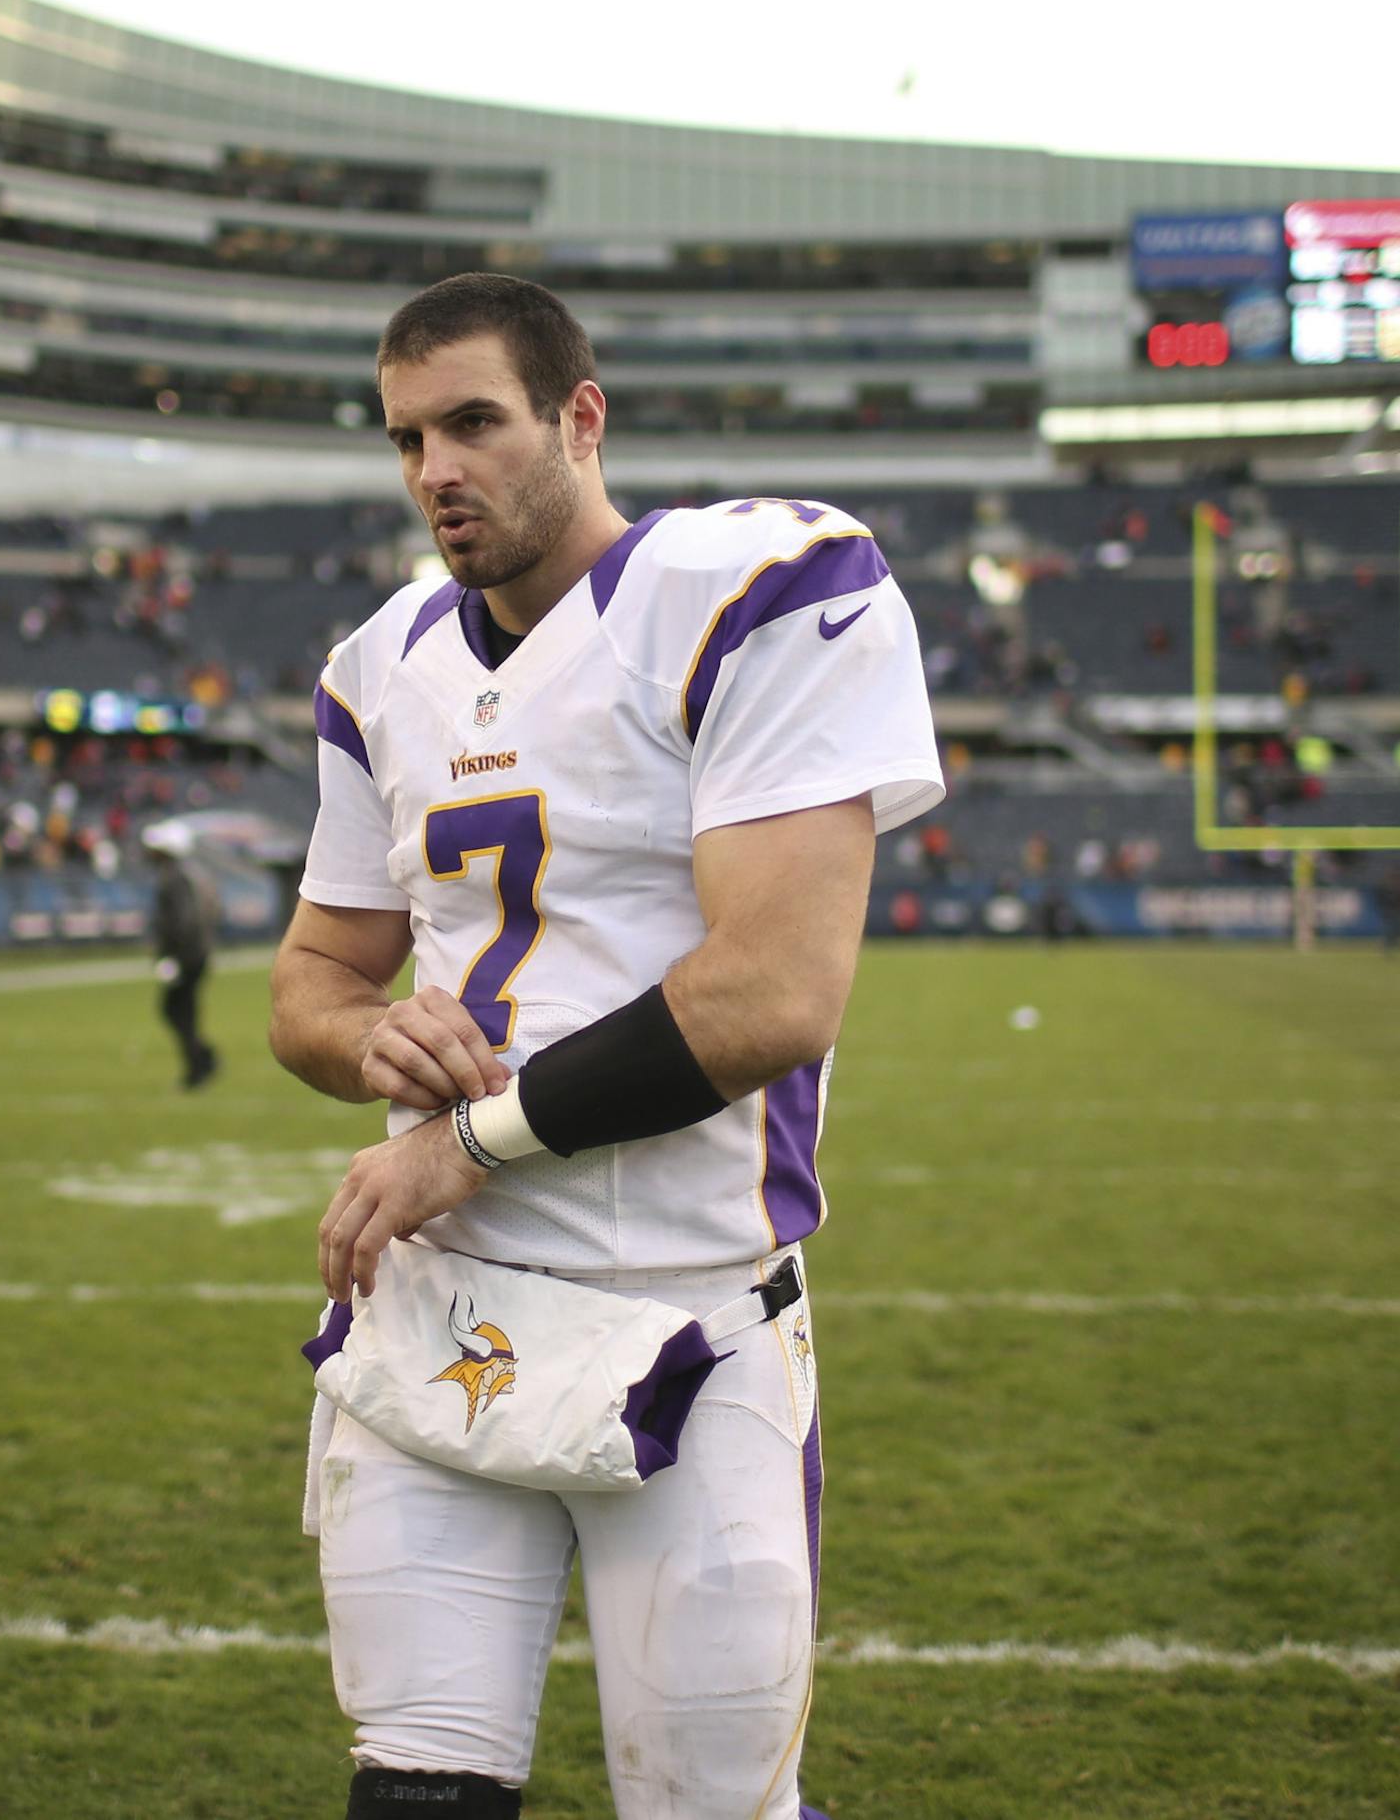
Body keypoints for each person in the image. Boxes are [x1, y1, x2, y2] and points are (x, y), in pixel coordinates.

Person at [268, 273, 943, 1819]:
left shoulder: (753, 586)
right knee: (413, 1798)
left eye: (474, 422)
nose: (436, 467)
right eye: (407, 437)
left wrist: (463, 1143)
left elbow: (771, 992)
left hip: (686, 1313)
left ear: (581, 415)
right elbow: (309, 982)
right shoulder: (382, 665)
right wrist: (375, 1037)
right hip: (438, 1307)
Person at [143, 821, 218, 1089]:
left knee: (176, 1010)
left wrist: (173, 956)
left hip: (186, 956)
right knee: (182, 1011)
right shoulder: (188, 874)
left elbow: (184, 920)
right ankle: (201, 1058)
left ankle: (200, 1062)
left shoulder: (174, 877)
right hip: (195, 954)